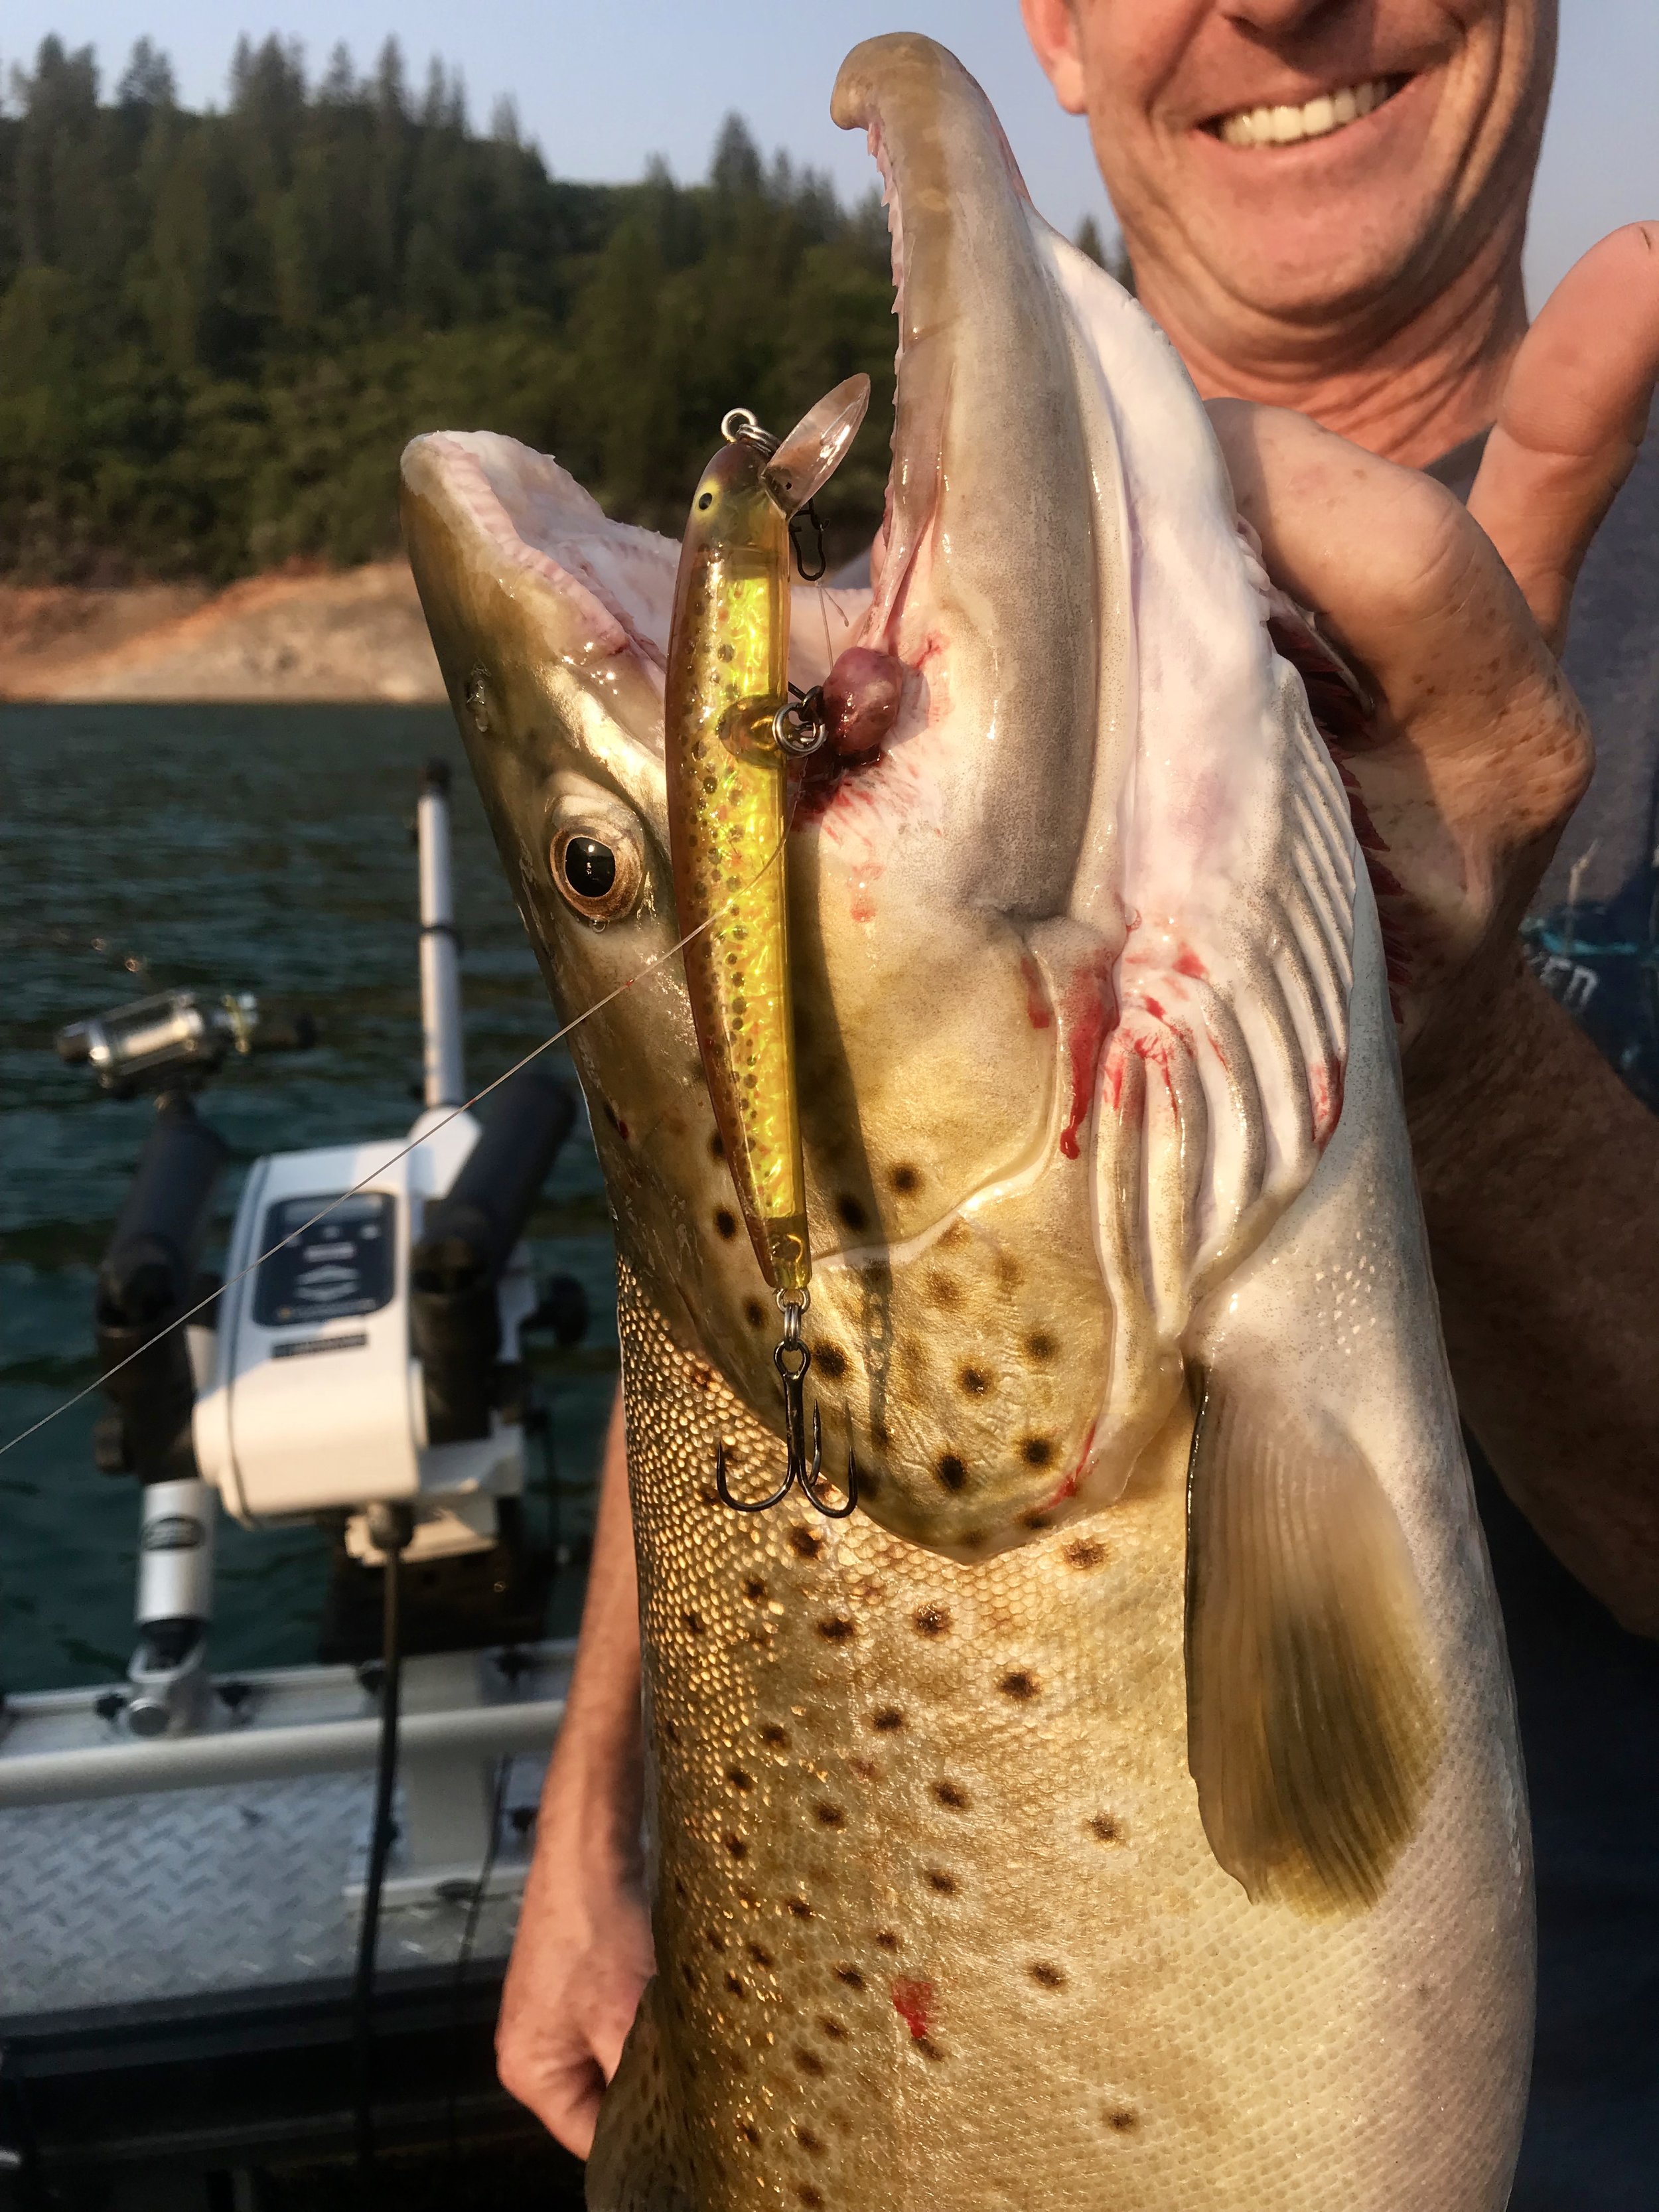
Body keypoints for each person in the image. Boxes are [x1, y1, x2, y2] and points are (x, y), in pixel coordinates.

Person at [498, 3, 1659, 2199]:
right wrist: (599, 1798)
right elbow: (742, 1263)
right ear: (1050, 21)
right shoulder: (869, 652)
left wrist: (1460, 1057)